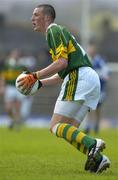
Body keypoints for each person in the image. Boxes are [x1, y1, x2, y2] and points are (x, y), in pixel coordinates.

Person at [17, 4, 110, 173]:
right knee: (68, 130)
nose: (32, 18)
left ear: (47, 18)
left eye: (36, 14)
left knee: (55, 126)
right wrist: (40, 83)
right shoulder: (59, 32)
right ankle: (99, 159)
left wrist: (35, 75)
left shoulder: (53, 30)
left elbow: (62, 63)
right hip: (89, 78)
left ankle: (93, 144)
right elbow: (61, 72)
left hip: (79, 76)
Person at [84, 41, 109, 134]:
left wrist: (98, 76)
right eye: (90, 49)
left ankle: (96, 125)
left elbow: (106, 75)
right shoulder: (86, 60)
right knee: (88, 108)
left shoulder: (100, 61)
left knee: (98, 109)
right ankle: (88, 126)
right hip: (89, 89)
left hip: (99, 90)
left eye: (92, 49)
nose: (91, 50)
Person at [1, 49, 27, 130]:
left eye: (17, 54)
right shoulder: (7, 64)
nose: (16, 56)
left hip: (19, 88)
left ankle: (17, 122)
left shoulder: (22, 65)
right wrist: (2, 86)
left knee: (18, 107)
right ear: (11, 55)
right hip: (9, 87)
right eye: (14, 54)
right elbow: (3, 77)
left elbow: (26, 77)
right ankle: (11, 119)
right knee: (8, 107)